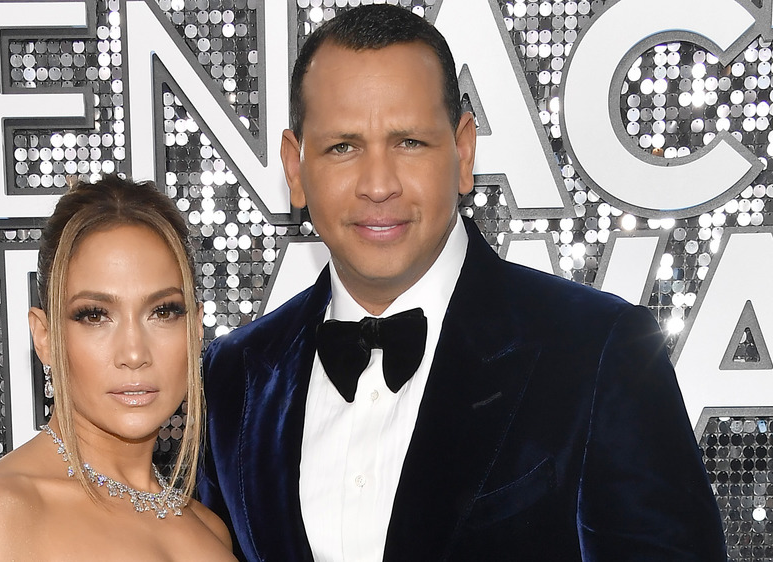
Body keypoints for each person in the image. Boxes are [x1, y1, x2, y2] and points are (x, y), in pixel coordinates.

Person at [199, 5, 726, 561]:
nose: (378, 185)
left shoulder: (597, 350)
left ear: (464, 149)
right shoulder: (237, 375)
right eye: (343, 147)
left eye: (409, 142)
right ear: (294, 167)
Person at [0, 175, 234, 560]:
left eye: (163, 311)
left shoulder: (210, 530)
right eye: (94, 316)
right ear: (45, 337)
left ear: (193, 329)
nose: (135, 352)